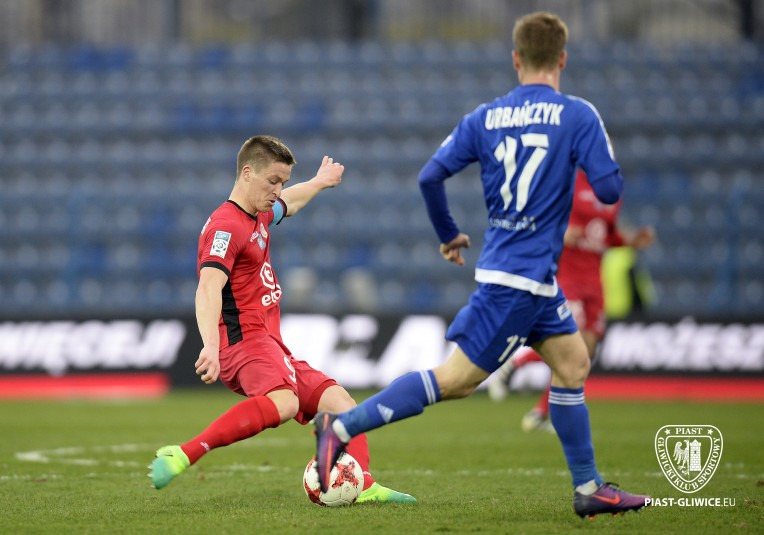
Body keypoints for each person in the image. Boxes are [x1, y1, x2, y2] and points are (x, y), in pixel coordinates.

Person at [314, 12, 650, 518]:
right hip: (519, 280)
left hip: (529, 276)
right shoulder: (578, 115)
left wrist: (449, 234)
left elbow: (430, 176)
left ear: (516, 59)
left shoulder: (486, 117)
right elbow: (607, 190)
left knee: (573, 363)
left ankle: (589, 488)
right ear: (562, 59)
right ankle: (339, 428)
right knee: (456, 380)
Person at [148, 135, 414, 504]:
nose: (278, 191)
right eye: (272, 181)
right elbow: (208, 287)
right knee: (285, 403)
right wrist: (210, 345)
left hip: (270, 342)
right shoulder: (226, 227)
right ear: (247, 173)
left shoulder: (257, 215)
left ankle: (364, 485)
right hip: (242, 343)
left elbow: (292, 203)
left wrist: (319, 182)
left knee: (343, 405)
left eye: (282, 182)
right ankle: (183, 454)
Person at [488, 169, 655, 433]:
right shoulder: (566, 178)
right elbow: (534, 215)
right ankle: (517, 364)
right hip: (569, 278)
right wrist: (559, 232)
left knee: (584, 355)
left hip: (595, 282)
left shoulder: (612, 190)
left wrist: (631, 241)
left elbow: (605, 235)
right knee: (569, 346)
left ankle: (540, 413)